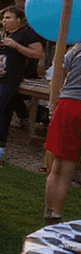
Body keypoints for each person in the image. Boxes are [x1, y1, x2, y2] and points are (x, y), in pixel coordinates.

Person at [0, 5, 44, 162]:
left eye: (8, 17)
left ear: (19, 20)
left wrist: (16, 45)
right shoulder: (2, 34)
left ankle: (0, 145)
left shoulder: (27, 34)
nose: (4, 21)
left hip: (9, 78)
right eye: (3, 18)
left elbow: (38, 54)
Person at [43, 39, 81, 224]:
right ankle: (54, 214)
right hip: (72, 104)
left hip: (68, 105)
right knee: (64, 167)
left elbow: (58, 77)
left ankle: (53, 214)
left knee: (59, 166)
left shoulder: (76, 49)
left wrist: (53, 103)